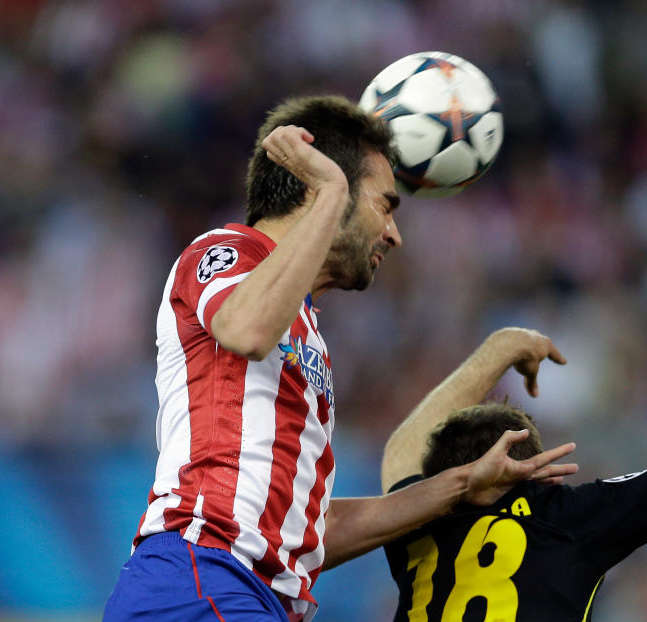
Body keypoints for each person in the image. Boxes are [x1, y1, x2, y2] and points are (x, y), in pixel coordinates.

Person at [103, 96, 577, 622]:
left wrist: (462, 485)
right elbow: (245, 329)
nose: (394, 234)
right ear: (321, 189)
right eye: (386, 205)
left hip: (246, 594)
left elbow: (304, 534)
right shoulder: (229, 250)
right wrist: (329, 191)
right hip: (199, 577)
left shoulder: (307, 334)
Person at [381, 328, 647, 622]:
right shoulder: (564, 516)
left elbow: (404, 451)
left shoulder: (411, 519)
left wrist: (499, 348)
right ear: (536, 468)